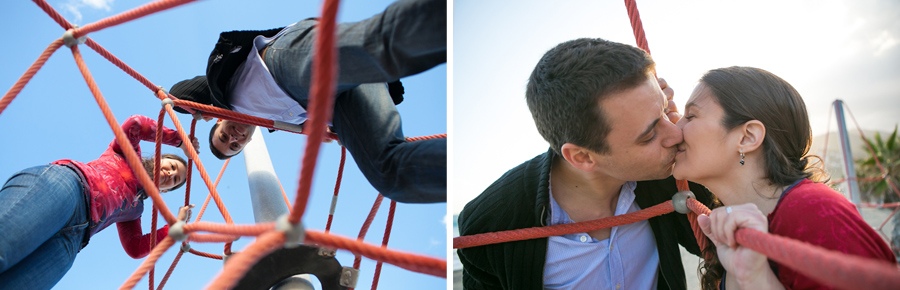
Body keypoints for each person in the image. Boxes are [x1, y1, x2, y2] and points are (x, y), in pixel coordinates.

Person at [456, 38, 715, 290]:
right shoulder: (490, 225)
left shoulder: (664, 173)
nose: (675, 134)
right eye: (648, 135)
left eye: (663, 111)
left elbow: (717, 250)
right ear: (582, 157)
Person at [169, 0, 446, 204]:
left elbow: (176, 93)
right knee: (390, 176)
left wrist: (192, 122)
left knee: (380, 48)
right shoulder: (282, 122)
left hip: (282, 65)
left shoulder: (225, 95)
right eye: (234, 146)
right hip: (339, 102)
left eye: (223, 135)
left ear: (217, 118)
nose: (233, 138)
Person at [673, 66, 896, 289]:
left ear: (748, 137)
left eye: (691, 116)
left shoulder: (814, 212)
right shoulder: (732, 230)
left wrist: (757, 279)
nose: (675, 129)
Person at [0, 114, 197, 289]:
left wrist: (172, 228)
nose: (170, 174)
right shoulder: (129, 155)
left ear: (165, 190)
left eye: (174, 181)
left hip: (75, 238)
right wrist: (180, 141)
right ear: (159, 160)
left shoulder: (136, 208)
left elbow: (135, 248)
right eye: (171, 166)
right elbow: (135, 124)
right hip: (72, 188)